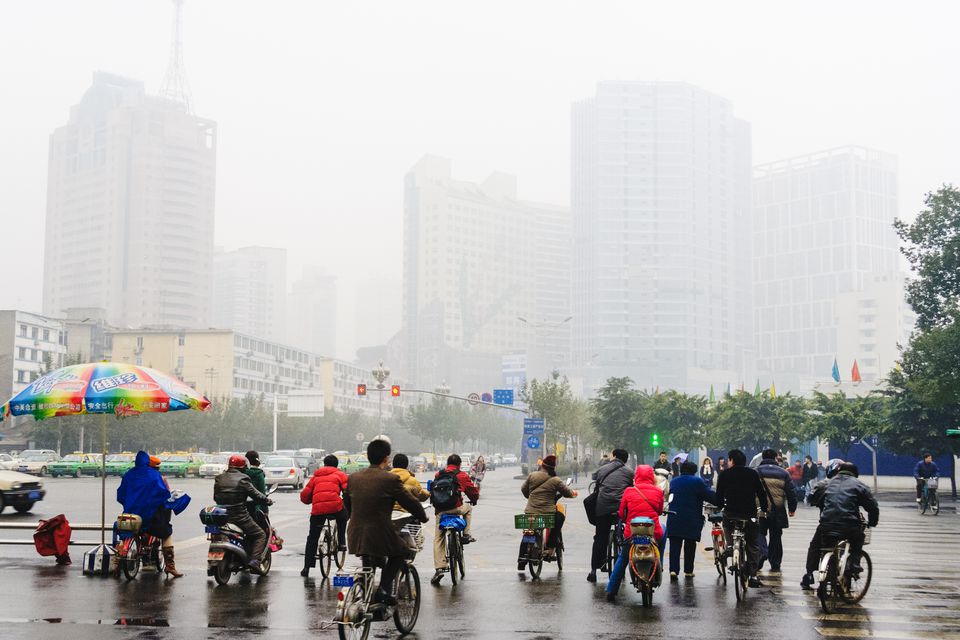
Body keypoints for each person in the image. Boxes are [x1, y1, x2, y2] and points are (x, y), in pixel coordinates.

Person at [345, 439, 429, 606]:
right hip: (380, 532)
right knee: (401, 552)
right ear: (386, 459)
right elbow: (409, 501)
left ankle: (368, 596)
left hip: (355, 533)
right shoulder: (389, 479)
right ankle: (383, 590)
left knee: (369, 561)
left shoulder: (354, 478)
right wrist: (422, 516)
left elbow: (347, 505)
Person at [801, 462, 879, 590]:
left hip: (827, 524)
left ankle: (810, 574)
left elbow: (811, 498)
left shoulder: (826, 483)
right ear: (855, 473)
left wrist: (823, 504)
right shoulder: (859, 485)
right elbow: (873, 507)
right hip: (850, 525)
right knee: (858, 538)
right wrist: (872, 522)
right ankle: (854, 564)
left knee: (818, 546)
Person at [117, 451, 183, 578]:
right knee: (166, 533)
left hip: (131, 516)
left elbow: (120, 495)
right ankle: (170, 566)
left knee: (124, 534)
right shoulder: (154, 476)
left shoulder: (128, 475)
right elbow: (163, 494)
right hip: (150, 517)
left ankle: (116, 562)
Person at [606, 465, 664, 602]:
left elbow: (621, 513)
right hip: (652, 531)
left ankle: (611, 590)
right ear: (651, 476)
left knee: (623, 559)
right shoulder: (657, 491)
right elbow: (660, 511)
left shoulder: (629, 491)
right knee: (664, 530)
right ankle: (659, 558)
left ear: (636, 476)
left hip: (632, 532)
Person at [715, 449, 768, 588]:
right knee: (752, 544)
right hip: (749, 514)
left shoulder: (725, 474)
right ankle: (753, 575)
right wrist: (763, 508)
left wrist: (720, 506)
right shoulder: (752, 473)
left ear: (732, 460)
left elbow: (719, 495)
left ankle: (731, 546)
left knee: (726, 525)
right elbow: (761, 493)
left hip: (730, 513)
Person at [214, 455, 273, 573]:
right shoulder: (243, 479)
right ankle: (255, 561)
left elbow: (216, 497)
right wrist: (267, 500)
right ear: (243, 467)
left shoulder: (219, 478)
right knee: (260, 535)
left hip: (221, 515)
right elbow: (256, 494)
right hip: (239, 516)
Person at [517, 455, 577, 570]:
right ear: (553, 468)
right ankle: (551, 545)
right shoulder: (556, 480)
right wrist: (573, 493)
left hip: (530, 512)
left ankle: (521, 560)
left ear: (542, 465)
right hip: (547, 513)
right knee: (560, 517)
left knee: (528, 532)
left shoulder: (532, 475)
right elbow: (567, 492)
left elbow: (524, 490)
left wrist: (530, 497)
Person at [430, 454, 480, 585]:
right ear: (459, 464)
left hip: (440, 511)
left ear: (447, 464)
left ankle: (440, 568)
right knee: (468, 509)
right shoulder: (462, 475)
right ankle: (466, 534)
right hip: (457, 508)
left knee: (438, 539)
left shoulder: (438, 475)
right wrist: (474, 500)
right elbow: (473, 492)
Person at [587, 448, 634, 583]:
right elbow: (631, 488)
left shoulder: (603, 469)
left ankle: (593, 571)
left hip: (602, 507)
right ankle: (620, 549)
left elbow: (595, 478)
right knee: (625, 535)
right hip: (621, 509)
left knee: (600, 537)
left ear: (614, 456)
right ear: (625, 459)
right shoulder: (630, 472)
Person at [299, 454, 350, 577]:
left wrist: (313, 500)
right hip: (335, 508)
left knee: (312, 537)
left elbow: (305, 496)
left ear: (324, 464)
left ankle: (306, 567)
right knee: (343, 517)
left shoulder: (316, 476)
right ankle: (342, 542)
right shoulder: (340, 475)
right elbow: (347, 492)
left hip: (318, 511)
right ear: (336, 465)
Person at [667, 461, 719, 579]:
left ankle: (673, 570)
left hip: (674, 517)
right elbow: (709, 496)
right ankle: (688, 571)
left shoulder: (674, 481)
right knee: (690, 544)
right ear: (694, 471)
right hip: (691, 518)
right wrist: (720, 500)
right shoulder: (697, 482)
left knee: (675, 544)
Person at [756, 449, 797, 574]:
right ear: (775, 458)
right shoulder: (783, 473)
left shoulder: (755, 472)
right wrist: (792, 509)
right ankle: (775, 563)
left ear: (762, 458)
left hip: (759, 510)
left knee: (759, 533)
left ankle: (762, 553)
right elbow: (791, 492)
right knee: (776, 536)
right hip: (777, 510)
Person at [242, 450, 268, 519]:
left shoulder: (240, 472)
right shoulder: (259, 474)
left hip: (239, 507)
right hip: (254, 508)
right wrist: (265, 510)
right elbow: (262, 492)